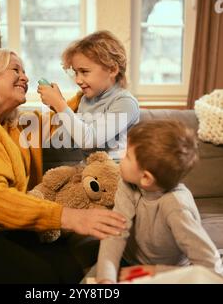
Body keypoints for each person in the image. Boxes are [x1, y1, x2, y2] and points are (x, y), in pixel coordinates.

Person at [0, 49, 126, 284]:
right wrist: (69, 216)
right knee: (41, 277)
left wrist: (85, 91)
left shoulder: (11, 125)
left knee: (68, 268)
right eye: (15, 69)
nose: (25, 77)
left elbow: (57, 122)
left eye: (25, 72)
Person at [89, 120, 223, 283]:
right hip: (127, 260)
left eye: (127, 156)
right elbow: (115, 233)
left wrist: (155, 271)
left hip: (169, 271)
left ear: (146, 177)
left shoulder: (176, 206)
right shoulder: (127, 184)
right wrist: (106, 278)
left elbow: (211, 268)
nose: (120, 157)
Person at [37, 30, 139, 160]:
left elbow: (89, 140)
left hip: (111, 173)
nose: (78, 80)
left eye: (84, 72)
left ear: (112, 70)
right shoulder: (86, 99)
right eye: (76, 72)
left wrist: (59, 104)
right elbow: (76, 132)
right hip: (86, 169)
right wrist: (58, 105)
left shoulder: (125, 103)